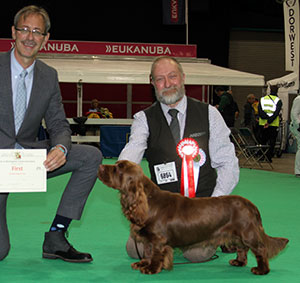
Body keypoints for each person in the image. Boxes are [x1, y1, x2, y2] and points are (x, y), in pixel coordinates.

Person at [0, 6, 103, 262]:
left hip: (30, 161)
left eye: (37, 31)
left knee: (90, 157)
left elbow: (58, 123)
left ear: (46, 38)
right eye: (24, 29)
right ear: (13, 32)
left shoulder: (48, 75)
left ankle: (56, 237)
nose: (29, 37)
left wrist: (60, 148)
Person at [118, 56, 239, 262]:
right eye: (160, 79)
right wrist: (121, 171)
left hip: (201, 208)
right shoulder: (143, 118)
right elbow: (133, 149)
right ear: (152, 83)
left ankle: (223, 231)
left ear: (183, 78)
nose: (167, 84)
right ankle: (172, 239)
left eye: (172, 77)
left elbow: (228, 163)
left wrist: (214, 205)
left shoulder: (210, 113)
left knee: (197, 254)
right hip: (162, 210)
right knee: (135, 251)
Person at [258, 85, 282, 162]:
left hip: (262, 123)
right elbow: (276, 113)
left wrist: (265, 119)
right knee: (272, 141)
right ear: (277, 91)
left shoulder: (262, 99)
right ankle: (268, 157)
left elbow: (260, 112)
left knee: (263, 140)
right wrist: (269, 121)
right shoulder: (278, 100)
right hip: (273, 124)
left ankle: (262, 156)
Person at [290, 94, 300, 177]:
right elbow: (294, 114)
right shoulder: (298, 99)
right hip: (297, 127)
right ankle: (298, 170)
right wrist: (298, 124)